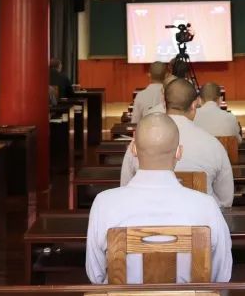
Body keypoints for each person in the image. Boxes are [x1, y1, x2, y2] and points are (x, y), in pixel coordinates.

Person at [86, 113, 232, 284]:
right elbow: (222, 275)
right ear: (179, 152)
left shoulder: (104, 204)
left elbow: (96, 275)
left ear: (133, 149)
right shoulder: (206, 205)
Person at [121, 79, 234, 207]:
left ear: (164, 104)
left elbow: (125, 189)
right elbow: (226, 201)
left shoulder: (139, 142)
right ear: (194, 105)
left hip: (144, 217)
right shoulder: (214, 145)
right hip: (199, 216)